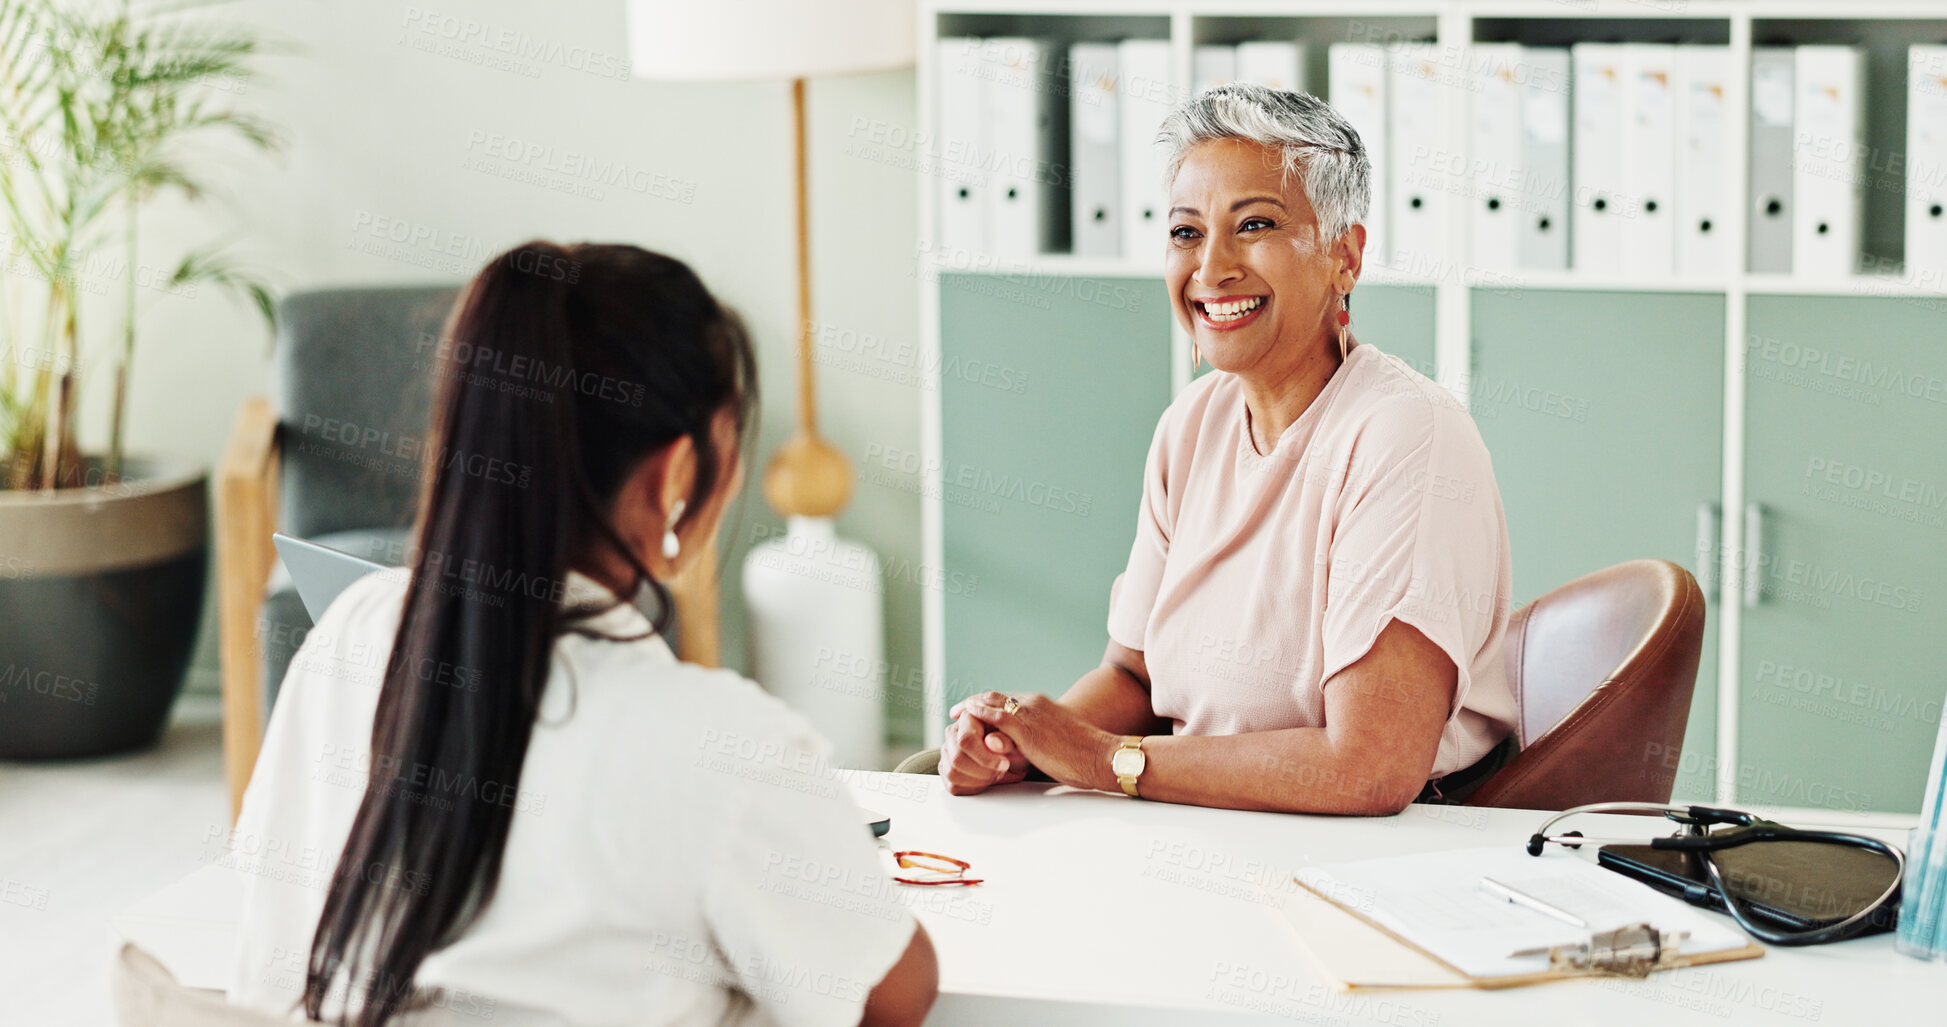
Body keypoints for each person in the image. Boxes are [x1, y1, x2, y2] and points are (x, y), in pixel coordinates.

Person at [228, 242, 937, 1026]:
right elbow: (890, 991)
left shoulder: (349, 631)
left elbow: (267, 945)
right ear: (676, 475)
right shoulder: (722, 741)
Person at [941, 84, 1519, 815]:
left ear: (1344, 255)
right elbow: (1132, 676)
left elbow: (1368, 767)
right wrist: (1020, 742)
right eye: (1185, 233)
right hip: (1201, 824)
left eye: (1253, 225)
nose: (1210, 269)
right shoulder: (1191, 423)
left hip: (1360, 856)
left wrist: (1098, 757)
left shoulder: (1404, 434)